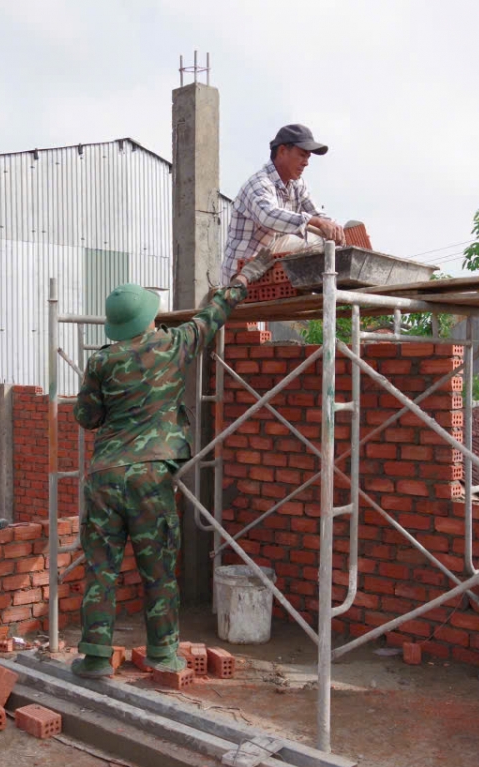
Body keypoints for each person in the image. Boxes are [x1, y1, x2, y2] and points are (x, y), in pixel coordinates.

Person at [70, 250, 275, 677]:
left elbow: (85, 417)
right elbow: (214, 315)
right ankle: (163, 653)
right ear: (148, 318)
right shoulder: (173, 344)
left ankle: (94, 658)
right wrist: (248, 274)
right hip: (150, 475)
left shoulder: (102, 360)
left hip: (105, 475)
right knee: (158, 565)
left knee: (101, 568)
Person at [220, 123, 347, 285]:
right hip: (242, 273)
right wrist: (315, 222)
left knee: (325, 237)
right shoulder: (259, 183)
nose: (306, 162)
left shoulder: (297, 184)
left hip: (269, 268)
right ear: (282, 151)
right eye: (302, 155)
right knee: (310, 241)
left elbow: (319, 217)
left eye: (308, 157)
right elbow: (269, 216)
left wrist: (338, 231)